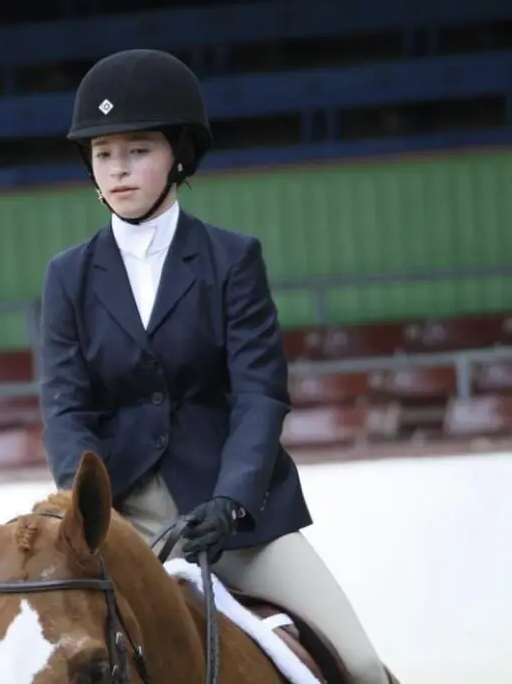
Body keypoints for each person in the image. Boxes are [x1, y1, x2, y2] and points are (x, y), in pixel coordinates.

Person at [39, 48, 391, 684]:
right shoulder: (68, 276)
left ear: (178, 155)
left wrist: (230, 503)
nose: (118, 169)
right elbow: (67, 406)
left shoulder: (231, 260)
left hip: (238, 521)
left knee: (361, 666)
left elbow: (260, 394)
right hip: (124, 524)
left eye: (137, 150)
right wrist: (88, 510)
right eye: (103, 153)